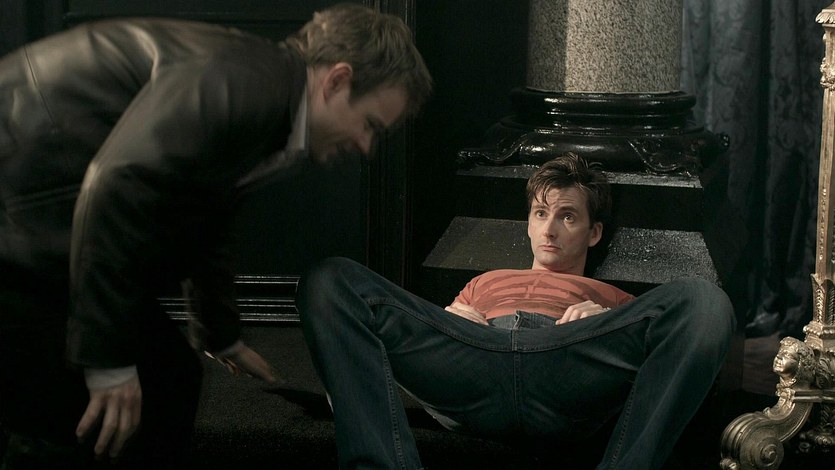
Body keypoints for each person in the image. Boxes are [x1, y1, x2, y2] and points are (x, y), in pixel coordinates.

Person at [0, 3, 432, 468]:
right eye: (370, 125)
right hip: (19, 231)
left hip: (38, 226)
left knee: (169, 380)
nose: (366, 147)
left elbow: (205, 214)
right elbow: (118, 183)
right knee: (114, 399)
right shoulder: (248, 87)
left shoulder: (265, 89)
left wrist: (218, 332)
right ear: (337, 81)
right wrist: (107, 363)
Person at [297, 153, 736, 469]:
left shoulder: (610, 296)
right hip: (474, 359)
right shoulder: (483, 281)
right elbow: (433, 332)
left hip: (565, 362)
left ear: (594, 232)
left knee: (704, 300)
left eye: (567, 217)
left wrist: (603, 322)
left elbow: (667, 350)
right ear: (527, 223)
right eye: (541, 213)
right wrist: (452, 320)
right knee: (329, 280)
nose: (549, 229)